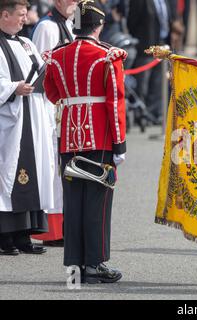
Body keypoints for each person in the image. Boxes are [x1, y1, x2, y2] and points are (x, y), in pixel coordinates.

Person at [43, 0, 127, 283]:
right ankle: (95, 263)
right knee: (97, 201)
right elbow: (115, 102)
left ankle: (74, 265)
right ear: (99, 25)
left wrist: (74, 103)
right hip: (100, 135)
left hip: (68, 135)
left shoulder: (58, 55)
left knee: (73, 200)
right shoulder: (107, 55)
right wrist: (120, 145)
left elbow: (52, 93)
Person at [0, 0, 56, 256]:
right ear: (4, 15)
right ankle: (5, 237)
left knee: (35, 172)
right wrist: (14, 88)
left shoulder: (26, 42)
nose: (26, 19)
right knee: (10, 175)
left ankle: (25, 234)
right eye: (21, 15)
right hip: (10, 120)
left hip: (32, 116)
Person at [30, 0, 77, 248]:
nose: (75, 3)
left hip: (65, 102)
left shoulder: (70, 23)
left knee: (63, 168)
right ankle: (52, 229)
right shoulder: (48, 27)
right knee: (53, 167)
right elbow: (42, 68)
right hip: (52, 104)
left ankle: (64, 225)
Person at [127, 0, 176, 125]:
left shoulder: (164, 2)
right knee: (143, 83)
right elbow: (132, 21)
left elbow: (168, 20)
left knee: (158, 83)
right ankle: (141, 116)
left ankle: (154, 114)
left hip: (162, 44)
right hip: (146, 45)